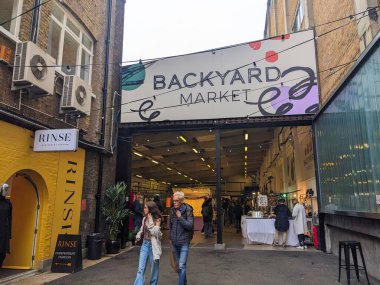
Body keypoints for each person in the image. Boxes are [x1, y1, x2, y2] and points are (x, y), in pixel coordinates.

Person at [134, 201, 162, 285]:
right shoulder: (144, 218)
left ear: (150, 209)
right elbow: (142, 229)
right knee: (140, 268)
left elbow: (154, 233)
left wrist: (150, 221)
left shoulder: (157, 220)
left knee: (154, 269)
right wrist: (138, 236)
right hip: (145, 245)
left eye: (145, 207)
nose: (144, 209)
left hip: (153, 247)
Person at [169, 191, 194, 285]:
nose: (174, 202)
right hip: (174, 243)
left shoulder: (188, 210)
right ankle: (184, 282)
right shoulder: (172, 210)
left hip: (184, 242)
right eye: (173, 200)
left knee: (182, 266)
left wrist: (180, 217)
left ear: (182, 200)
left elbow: (190, 226)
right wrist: (170, 238)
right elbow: (170, 225)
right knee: (179, 266)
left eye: (176, 200)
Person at [0, 183, 12, 268]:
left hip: (4, 231)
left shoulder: (8, 204)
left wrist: (9, 234)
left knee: (2, 254)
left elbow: (10, 218)